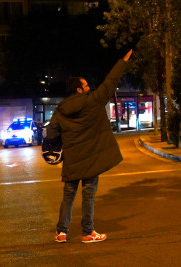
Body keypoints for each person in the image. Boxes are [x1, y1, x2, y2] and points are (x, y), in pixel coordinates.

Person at [47, 50, 132, 243]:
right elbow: (111, 81)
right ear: (78, 89)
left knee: (68, 195)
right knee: (88, 195)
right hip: (91, 160)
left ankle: (61, 232)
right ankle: (88, 233)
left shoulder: (61, 110)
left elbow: (51, 134)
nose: (89, 87)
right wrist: (123, 61)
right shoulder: (93, 101)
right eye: (85, 85)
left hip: (72, 160)